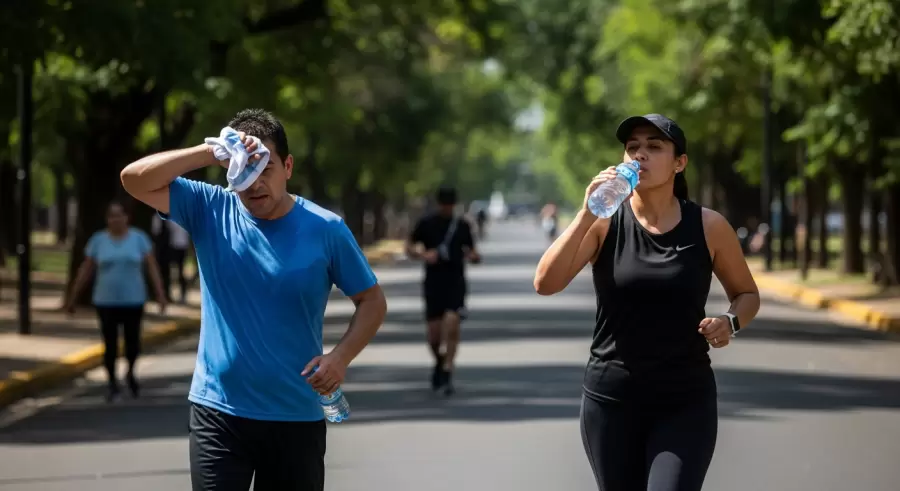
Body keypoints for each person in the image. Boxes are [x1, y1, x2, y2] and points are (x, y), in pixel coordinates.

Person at [120, 108, 387, 491]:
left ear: (288, 167)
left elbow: (372, 301)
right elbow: (133, 180)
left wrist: (339, 358)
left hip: (294, 416)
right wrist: (208, 152)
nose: (255, 183)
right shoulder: (210, 208)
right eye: (245, 170)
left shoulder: (326, 229)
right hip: (218, 411)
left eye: (266, 169)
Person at [533, 113, 761, 491]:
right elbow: (545, 282)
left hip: (684, 399)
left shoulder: (708, 226)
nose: (640, 155)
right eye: (632, 147)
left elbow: (747, 295)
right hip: (611, 399)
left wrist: (731, 321)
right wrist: (587, 212)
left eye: (654, 147)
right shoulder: (605, 223)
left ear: (679, 163)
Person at [65, 201, 167, 402]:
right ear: (107, 219)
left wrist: (160, 294)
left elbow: (152, 267)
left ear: (127, 218)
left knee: (132, 342)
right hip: (106, 301)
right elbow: (86, 269)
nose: (116, 219)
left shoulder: (139, 239)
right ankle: (112, 382)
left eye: (119, 215)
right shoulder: (98, 241)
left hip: (133, 299)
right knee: (109, 344)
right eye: (111, 215)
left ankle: (130, 372)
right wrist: (73, 297)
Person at [405, 186, 481, 396]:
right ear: (439, 204)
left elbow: (473, 250)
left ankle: (448, 370)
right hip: (433, 283)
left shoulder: (462, 225)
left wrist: (474, 257)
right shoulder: (426, 223)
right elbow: (409, 247)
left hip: (455, 282)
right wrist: (423, 254)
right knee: (434, 335)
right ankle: (439, 361)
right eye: (445, 204)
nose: (448, 208)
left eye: (450, 204)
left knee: (452, 324)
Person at [152, 213, 191, 304]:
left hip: (180, 246)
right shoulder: (160, 217)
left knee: (180, 271)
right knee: (167, 271)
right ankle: (166, 294)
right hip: (169, 246)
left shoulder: (180, 215)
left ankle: (182, 294)